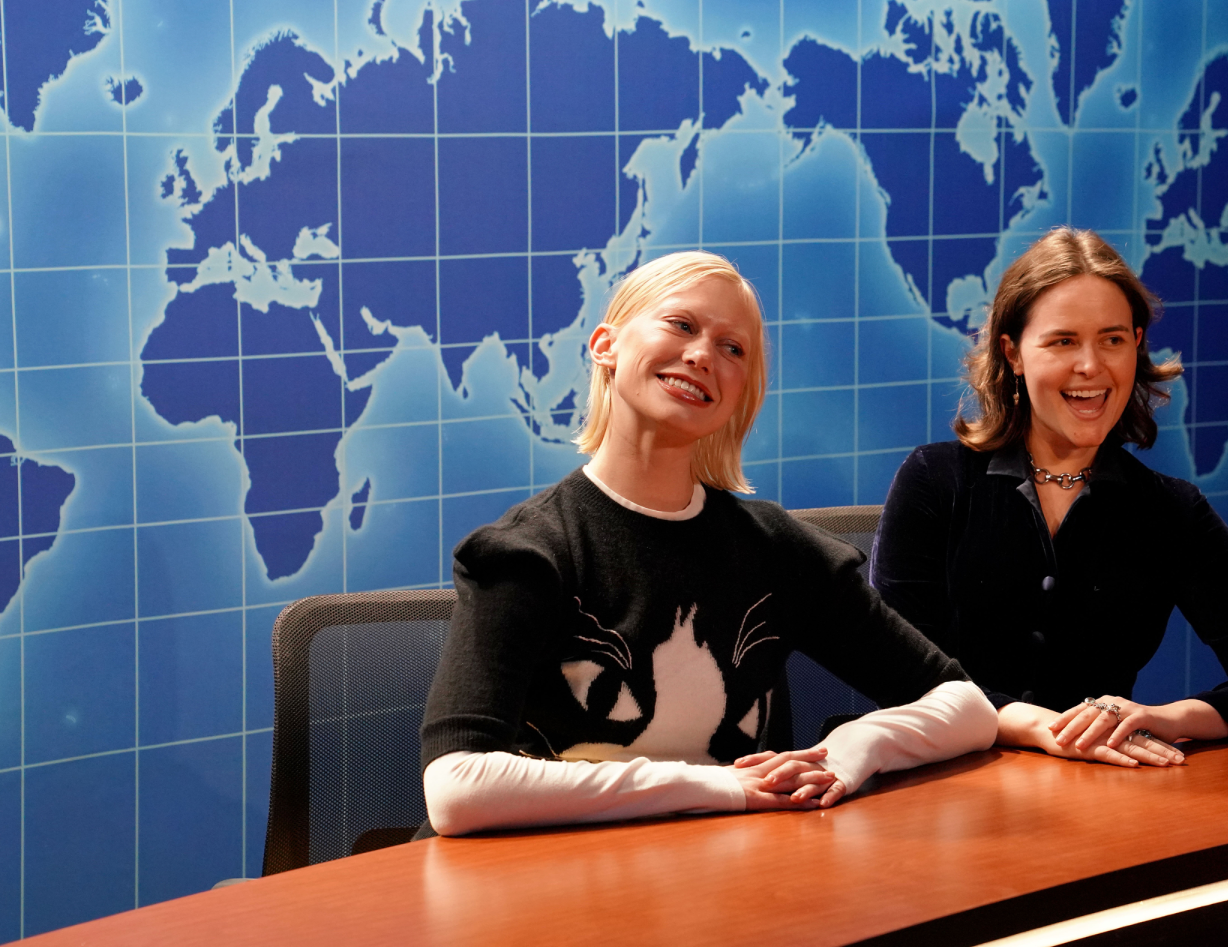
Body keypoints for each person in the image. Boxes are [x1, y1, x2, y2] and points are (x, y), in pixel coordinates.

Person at [419, 252, 997, 835]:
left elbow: (966, 707)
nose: (702, 356)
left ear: (741, 391)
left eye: (733, 349)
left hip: (728, 883)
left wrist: (851, 748)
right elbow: (456, 786)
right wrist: (715, 786)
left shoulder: (778, 549)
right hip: (551, 893)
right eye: (682, 325)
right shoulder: (527, 552)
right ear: (605, 346)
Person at [872, 227, 1228, 770]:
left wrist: (1169, 717)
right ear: (1013, 353)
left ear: (1136, 345)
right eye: (1063, 341)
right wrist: (1039, 726)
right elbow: (900, 675)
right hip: (941, 796)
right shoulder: (934, 479)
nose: (1091, 366)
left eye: (1112, 339)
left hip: (1096, 798)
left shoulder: (1168, 509)